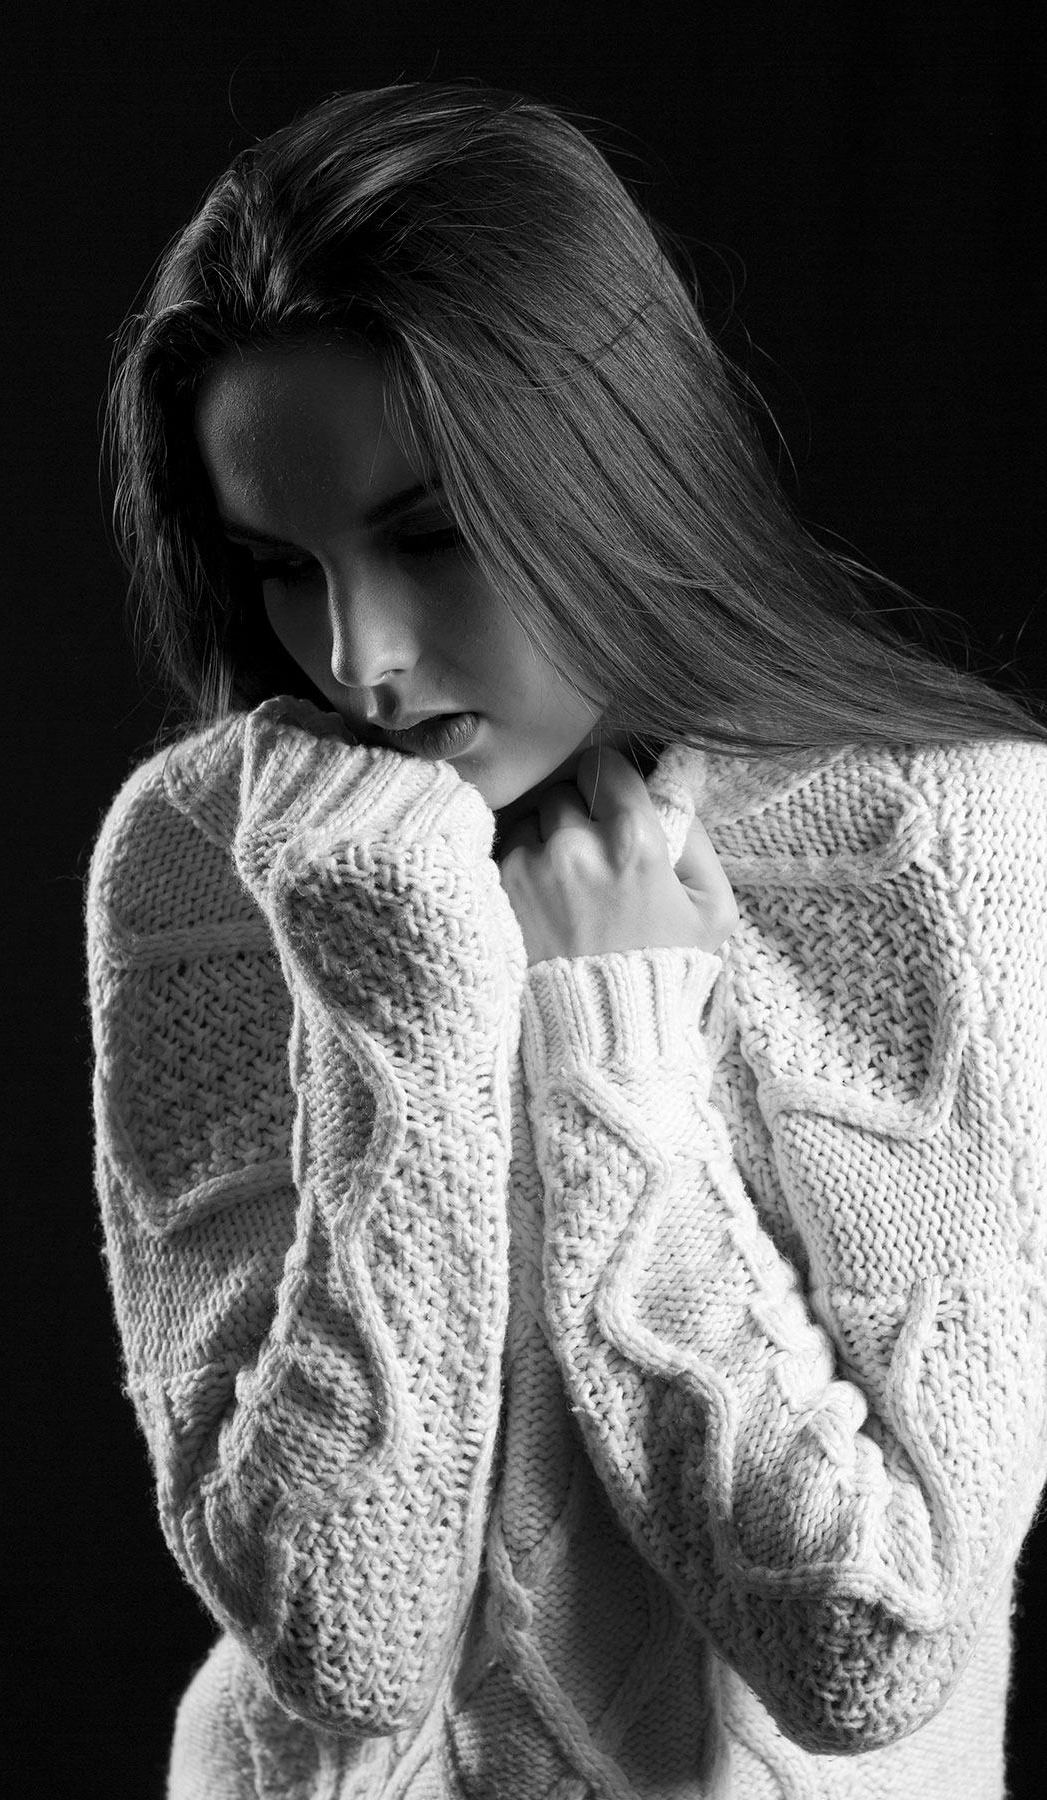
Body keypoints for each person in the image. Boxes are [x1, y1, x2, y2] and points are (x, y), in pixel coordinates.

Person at [87, 81, 1047, 1800]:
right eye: (281, 566)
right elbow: (342, 1639)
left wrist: (620, 1046)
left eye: (431, 536)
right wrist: (405, 1007)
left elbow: (873, 1645)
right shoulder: (207, 855)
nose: (360, 660)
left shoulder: (943, 841)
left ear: (606, 471)